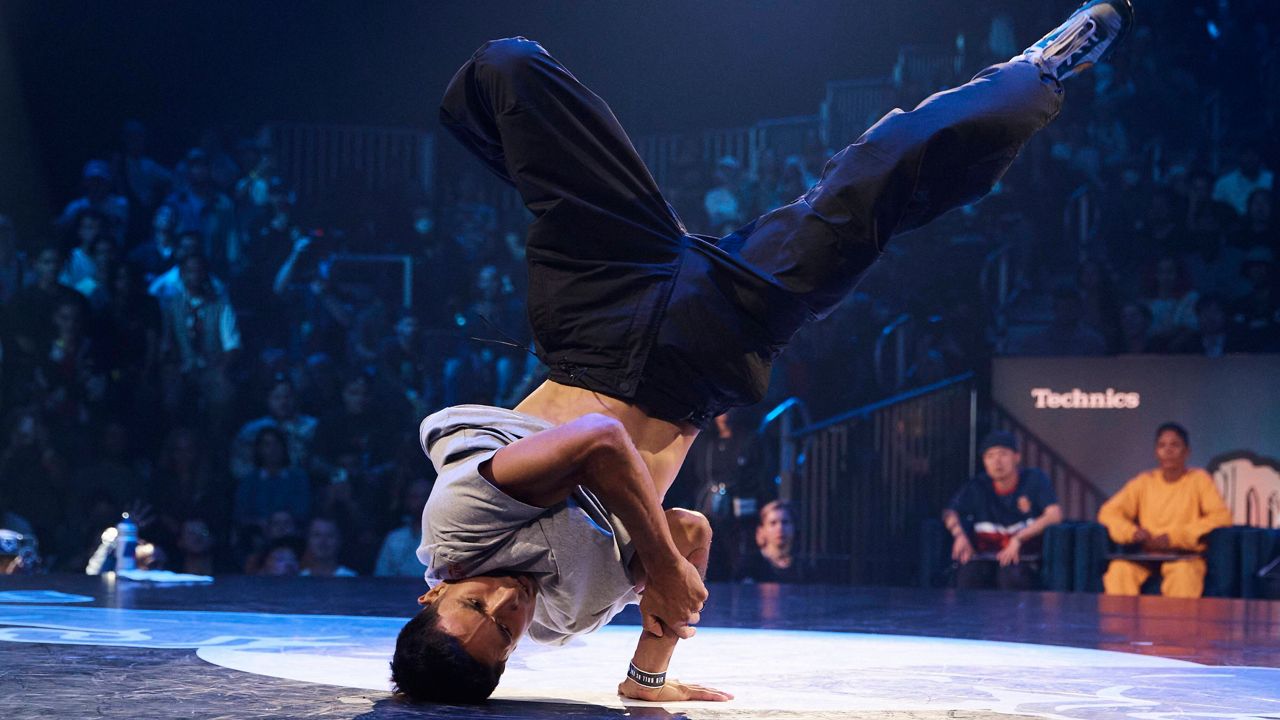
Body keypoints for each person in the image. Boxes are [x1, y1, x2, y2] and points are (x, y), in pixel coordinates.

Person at [397, 1, 1131, 704]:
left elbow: (599, 441)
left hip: (602, 309)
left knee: (509, 69)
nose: (506, 604)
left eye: (476, 602)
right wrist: (648, 672)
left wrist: (659, 568)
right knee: (873, 186)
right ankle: (1039, 74)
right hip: (716, 340)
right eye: (506, 630)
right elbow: (688, 532)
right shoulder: (567, 615)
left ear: (435, 591)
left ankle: (527, 163)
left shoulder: (457, 526)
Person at [1098, 422, 1230, 598]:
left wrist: (1175, 537)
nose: (1168, 451)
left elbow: (1221, 518)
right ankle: (1121, 626)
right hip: (1146, 554)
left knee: (1183, 575)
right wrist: (1131, 532)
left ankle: (1176, 626)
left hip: (1184, 556)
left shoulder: (1199, 480)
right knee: (1119, 570)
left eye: (1175, 445)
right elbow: (1109, 512)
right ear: (1156, 452)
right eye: (1162, 446)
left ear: (1187, 452)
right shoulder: (1144, 481)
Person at [942, 431, 1062, 591]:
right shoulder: (978, 486)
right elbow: (950, 512)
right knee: (966, 577)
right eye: (989, 456)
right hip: (985, 558)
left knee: (1010, 577)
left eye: (1003, 454)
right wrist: (959, 535)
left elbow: (1054, 514)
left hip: (1024, 559)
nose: (997, 461)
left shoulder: (1034, 479)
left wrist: (1018, 539)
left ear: (1016, 457)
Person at [737, 500, 805, 583]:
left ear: (794, 528)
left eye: (785, 522)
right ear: (762, 530)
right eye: (773, 523)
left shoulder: (803, 568)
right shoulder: (748, 566)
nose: (780, 528)